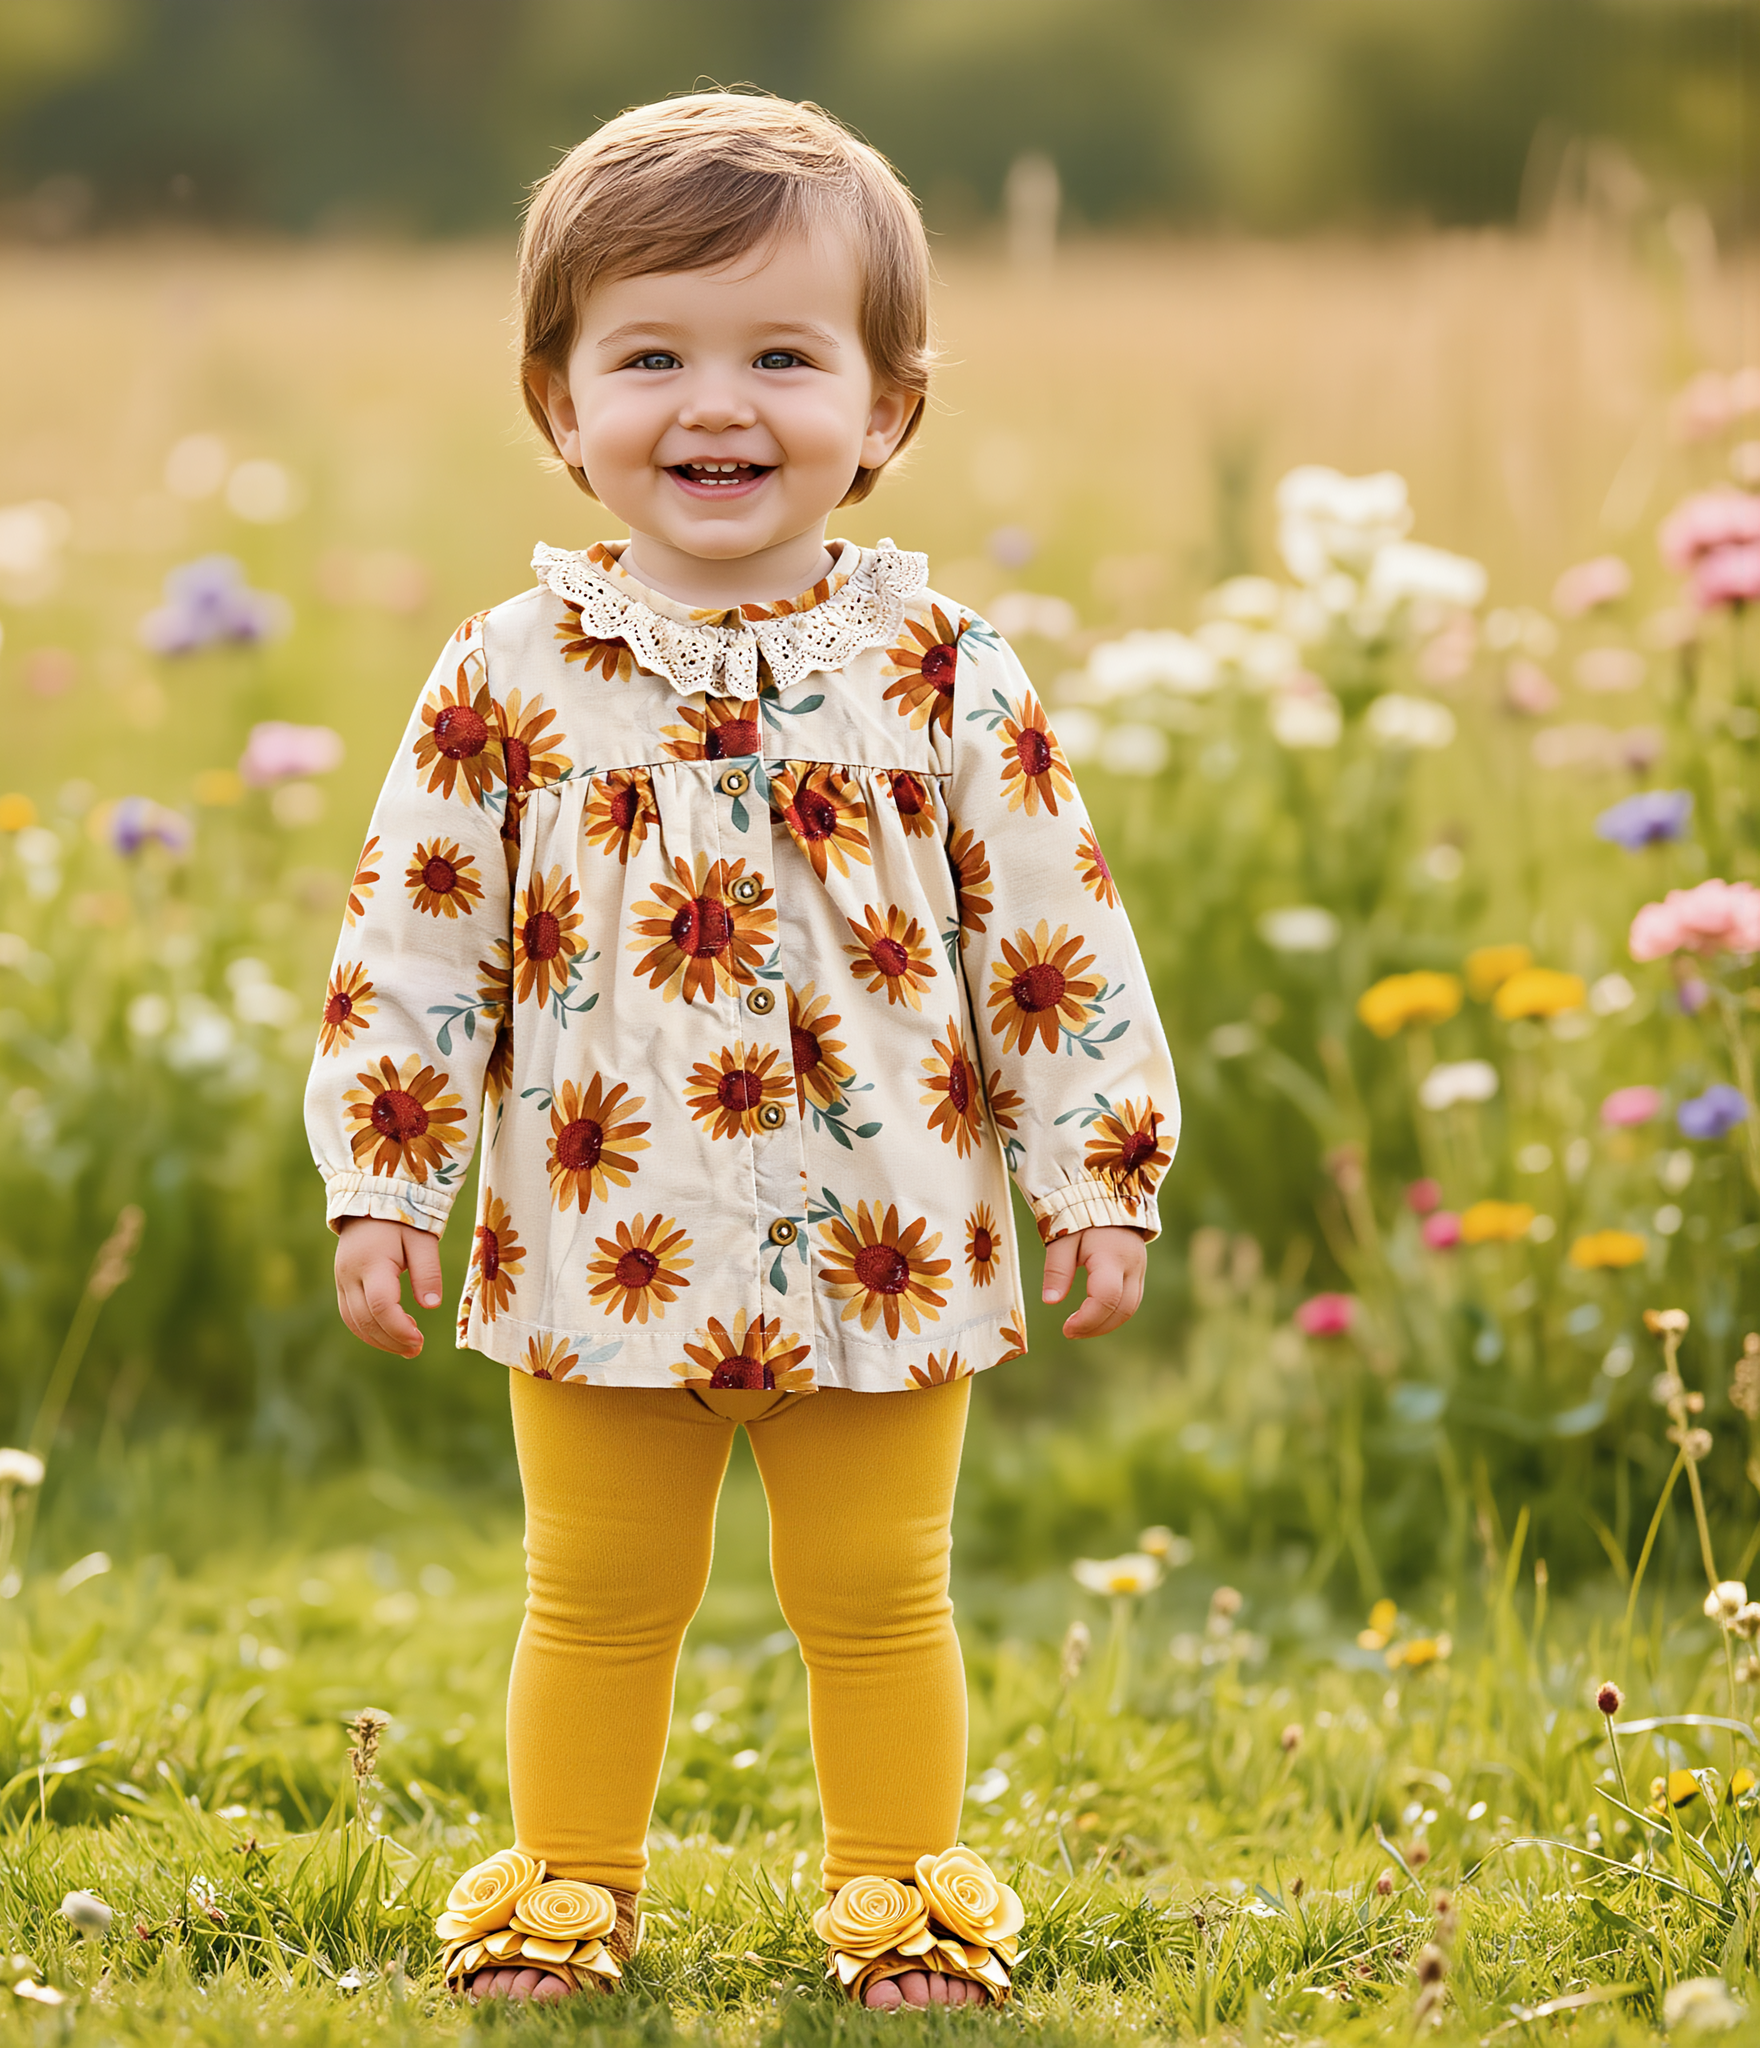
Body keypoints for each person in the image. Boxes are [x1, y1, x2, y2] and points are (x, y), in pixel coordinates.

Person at [303, 90, 1177, 2011]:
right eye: (653, 356)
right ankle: (566, 1895)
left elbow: (1052, 928)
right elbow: (417, 936)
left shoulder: (942, 665)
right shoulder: (506, 676)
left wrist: (1096, 1168)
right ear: (561, 404)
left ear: (885, 412)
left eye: (785, 354)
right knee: (597, 1599)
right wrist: (386, 1174)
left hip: (894, 1229)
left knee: (878, 1599)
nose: (720, 402)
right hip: (595, 1229)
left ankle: (905, 1906)